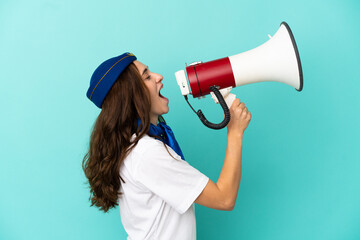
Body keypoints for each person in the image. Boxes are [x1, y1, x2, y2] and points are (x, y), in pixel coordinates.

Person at [83, 52, 251, 240]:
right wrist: (235, 132)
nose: (158, 77)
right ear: (131, 96)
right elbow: (224, 198)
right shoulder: (147, 152)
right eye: (147, 76)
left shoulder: (137, 147)